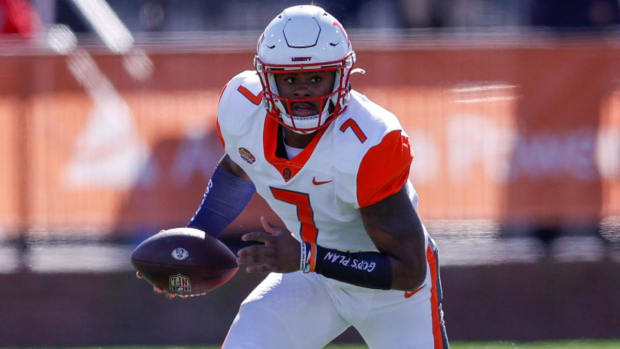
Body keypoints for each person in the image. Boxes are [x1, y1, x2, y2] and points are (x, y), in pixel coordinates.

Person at [185, 5, 448, 348]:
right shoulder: (242, 106)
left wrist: (309, 257)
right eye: (290, 78)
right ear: (267, 78)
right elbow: (237, 169)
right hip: (311, 278)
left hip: (390, 291)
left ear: (341, 75)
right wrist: (194, 240)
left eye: (315, 77)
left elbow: (409, 268)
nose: (302, 90)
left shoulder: (368, 139)